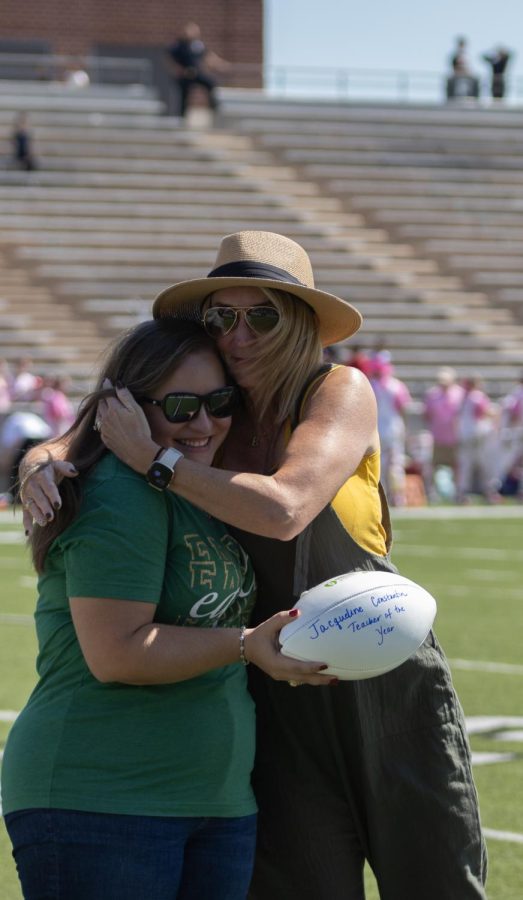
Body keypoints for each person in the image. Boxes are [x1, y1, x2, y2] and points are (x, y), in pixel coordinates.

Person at [20, 231, 488, 899]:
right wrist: (42, 458)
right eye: (220, 317)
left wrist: (159, 464)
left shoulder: (337, 390)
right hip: (268, 681)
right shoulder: (212, 411)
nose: (237, 334)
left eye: (260, 315)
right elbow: (100, 421)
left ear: (299, 321)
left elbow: (286, 506)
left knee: (436, 881)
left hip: (383, 669)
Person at [2, 317, 331, 900]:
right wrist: (244, 643)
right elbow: (117, 653)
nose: (204, 422)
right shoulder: (119, 493)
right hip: (101, 797)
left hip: (216, 802)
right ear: (126, 409)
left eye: (218, 400)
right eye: (180, 406)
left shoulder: (199, 487)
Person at [369, 355, 412, 507]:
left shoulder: (370, 384)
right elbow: (403, 408)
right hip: (393, 429)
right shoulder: (396, 386)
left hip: (376, 430)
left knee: (379, 465)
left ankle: (381, 497)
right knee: (395, 465)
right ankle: (398, 498)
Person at [166, 21, 230, 119]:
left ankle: (214, 107)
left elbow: (208, 55)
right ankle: (181, 117)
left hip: (196, 73)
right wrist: (179, 70)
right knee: (184, 95)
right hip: (184, 75)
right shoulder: (178, 45)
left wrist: (220, 64)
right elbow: (170, 58)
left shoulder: (197, 45)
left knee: (210, 83)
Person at [455, 373, 499, 504]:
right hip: (478, 434)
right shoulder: (477, 396)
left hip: (465, 434)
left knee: (466, 465)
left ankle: (462, 493)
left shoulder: (464, 397)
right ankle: (489, 492)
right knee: (484, 464)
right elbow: (485, 413)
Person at [423, 366, 464, 501]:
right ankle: (431, 493)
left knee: (456, 465)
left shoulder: (459, 393)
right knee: (434, 465)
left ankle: (458, 492)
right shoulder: (432, 394)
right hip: (437, 435)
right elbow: (427, 415)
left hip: (455, 436)